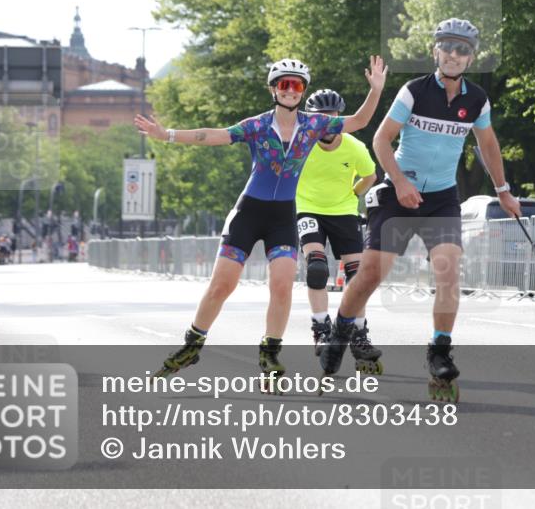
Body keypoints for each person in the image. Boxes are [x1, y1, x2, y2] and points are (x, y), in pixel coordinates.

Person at [135, 56, 387, 388]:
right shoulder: (257, 125)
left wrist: (376, 90)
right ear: (273, 89)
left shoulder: (314, 125)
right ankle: (193, 343)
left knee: (281, 286)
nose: (291, 90)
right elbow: (211, 136)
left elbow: (359, 121)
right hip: (248, 213)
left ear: (303, 90)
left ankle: (270, 353)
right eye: (284, 84)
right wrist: (165, 134)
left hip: (282, 216)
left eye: (297, 85)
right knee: (221, 286)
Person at [319, 18, 521, 403]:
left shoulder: (476, 99)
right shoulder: (414, 91)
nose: (454, 54)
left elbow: (489, 144)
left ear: (471, 56)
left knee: (449, 270)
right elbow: (380, 139)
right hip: (398, 193)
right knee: (371, 275)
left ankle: (440, 351)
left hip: (442, 198)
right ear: (436, 51)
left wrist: (504, 190)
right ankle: (340, 332)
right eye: (447, 46)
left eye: (462, 49)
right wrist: (399, 181)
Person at [295, 89, 381, 373]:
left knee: (358, 276)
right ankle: (321, 326)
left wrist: (352, 194)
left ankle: (359, 332)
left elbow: (370, 175)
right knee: (317, 269)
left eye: (332, 116)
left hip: (344, 212)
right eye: (321, 116)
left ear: (340, 117)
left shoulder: (354, 146)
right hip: (308, 209)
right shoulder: (301, 144)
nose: (327, 121)